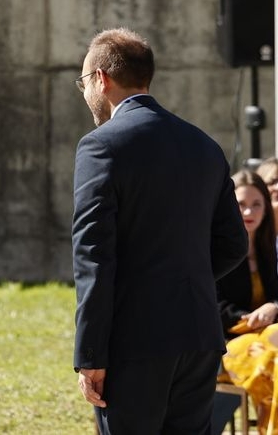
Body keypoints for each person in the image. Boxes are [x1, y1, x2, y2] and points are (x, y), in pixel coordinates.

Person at [71, 27, 248, 434]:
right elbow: (233, 244)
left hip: (134, 341)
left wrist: (91, 353)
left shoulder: (100, 145)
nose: (84, 94)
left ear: (101, 78)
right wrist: (183, 281)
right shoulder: (204, 144)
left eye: (83, 82)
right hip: (199, 333)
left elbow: (93, 257)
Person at [213, 170, 278, 435]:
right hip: (229, 343)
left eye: (257, 204)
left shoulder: (276, 249)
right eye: (241, 204)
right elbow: (213, 306)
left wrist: (274, 308)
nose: (249, 211)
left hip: (273, 340)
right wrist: (252, 319)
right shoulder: (213, 250)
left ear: (266, 208)